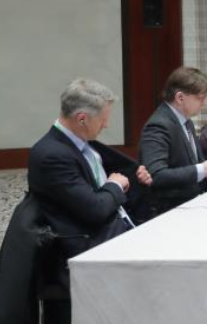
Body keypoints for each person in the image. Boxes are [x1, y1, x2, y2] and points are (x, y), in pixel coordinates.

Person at [27, 78, 152, 252]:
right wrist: (115, 185)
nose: (106, 125)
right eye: (103, 120)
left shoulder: (83, 143)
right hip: (92, 244)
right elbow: (94, 210)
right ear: (82, 119)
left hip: (121, 225)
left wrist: (135, 176)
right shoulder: (51, 156)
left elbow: (112, 178)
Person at [140, 66, 207, 215]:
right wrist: (203, 169)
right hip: (170, 209)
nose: (204, 104)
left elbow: (195, 163)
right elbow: (156, 175)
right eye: (200, 98)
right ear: (180, 97)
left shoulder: (186, 121)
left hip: (193, 201)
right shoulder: (159, 125)